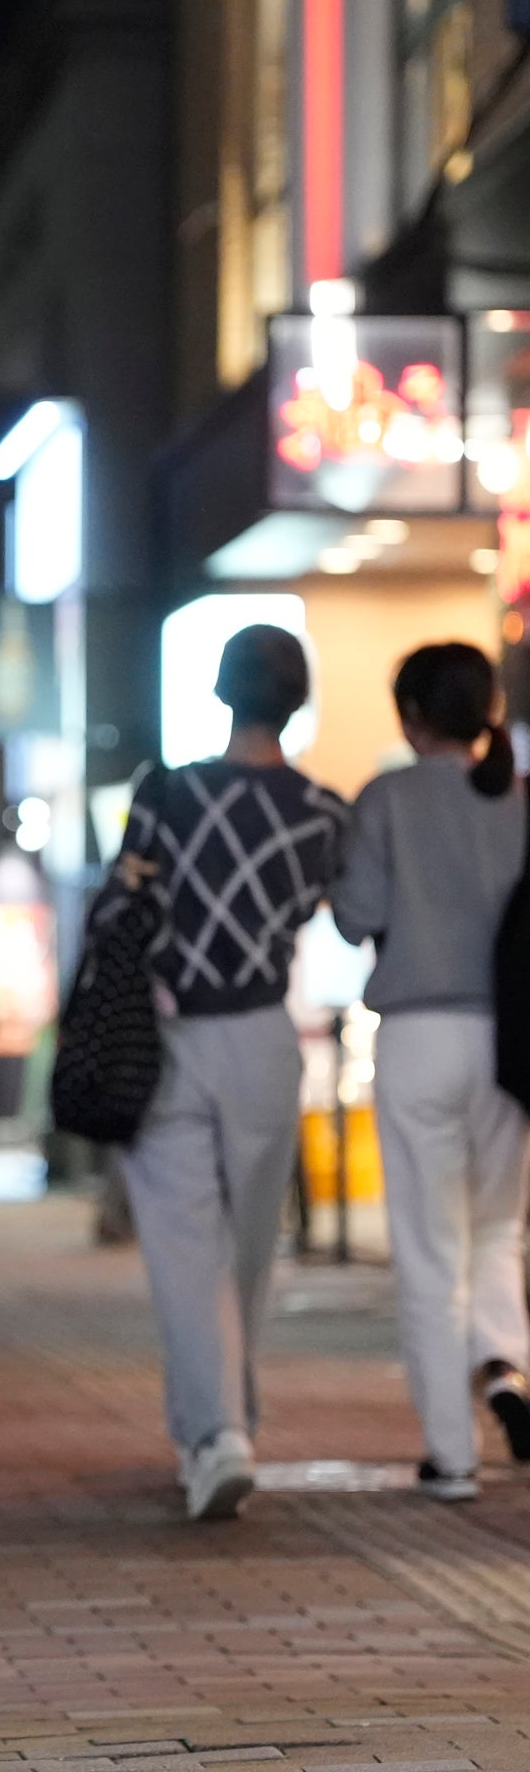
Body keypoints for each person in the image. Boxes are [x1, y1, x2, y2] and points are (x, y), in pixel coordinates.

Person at [117, 626, 345, 1521]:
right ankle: (226, 1424)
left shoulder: (165, 792)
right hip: (263, 1034)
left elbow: (123, 899)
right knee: (249, 1250)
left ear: (220, 694)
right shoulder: (326, 813)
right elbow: (343, 910)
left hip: (168, 1033)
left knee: (186, 1250)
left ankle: (215, 1436)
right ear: (297, 702)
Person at [330, 642, 530, 1503]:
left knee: (428, 1248)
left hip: (416, 1036)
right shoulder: (519, 800)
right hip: (513, 1039)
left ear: (411, 714)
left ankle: (451, 1454)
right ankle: (510, 1374)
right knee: (499, 1230)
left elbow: (357, 916)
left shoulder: (386, 799)